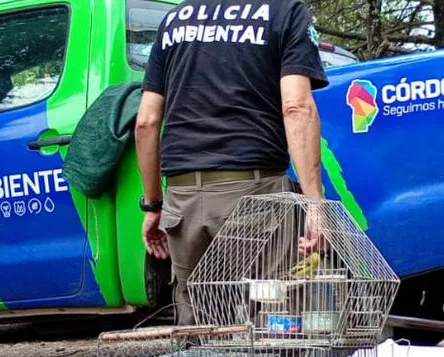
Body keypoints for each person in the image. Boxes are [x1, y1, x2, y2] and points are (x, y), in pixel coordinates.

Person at [135, 0, 329, 326]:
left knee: (200, 324)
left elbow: (146, 122)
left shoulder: (175, 20)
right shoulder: (283, 11)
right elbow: (296, 107)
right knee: (274, 318)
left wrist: (153, 205)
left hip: (183, 200)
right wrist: (314, 203)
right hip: (256, 198)